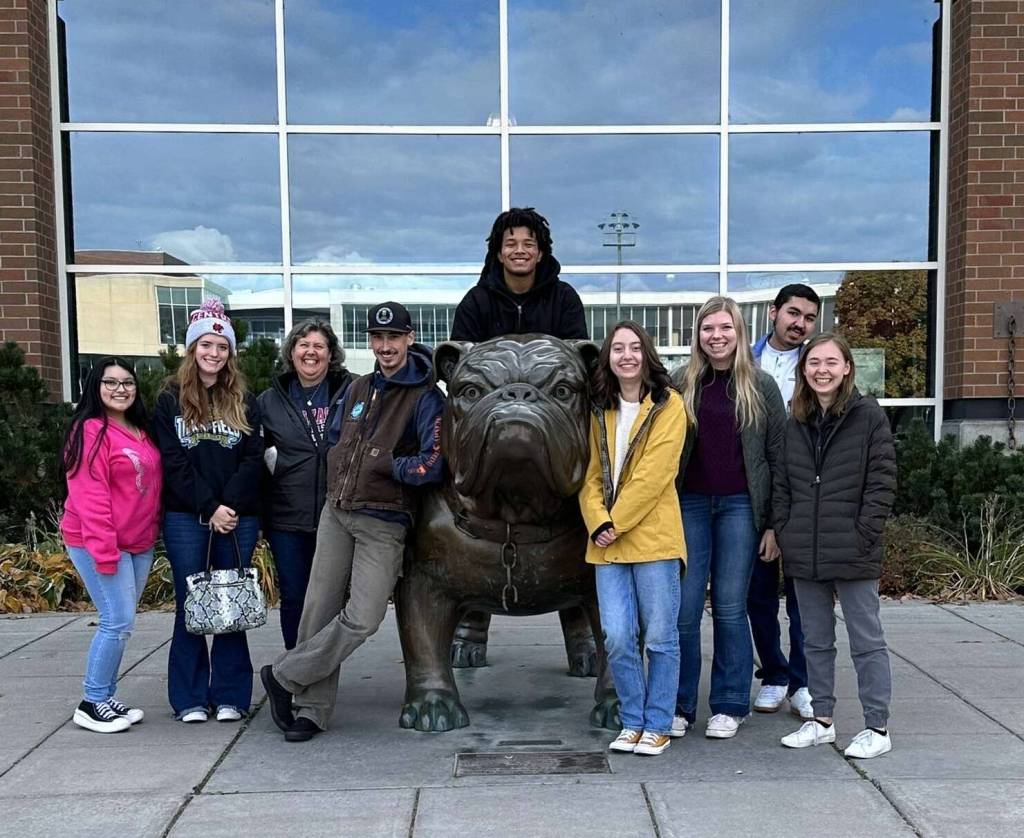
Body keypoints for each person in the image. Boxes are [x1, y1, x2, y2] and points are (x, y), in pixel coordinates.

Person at [261, 301, 444, 742]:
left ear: (409, 338)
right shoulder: (359, 387)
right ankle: (311, 709)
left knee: (364, 617)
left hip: (384, 520)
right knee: (317, 612)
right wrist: (343, 466)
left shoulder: (427, 396)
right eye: (378, 338)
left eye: (394, 337)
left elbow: (433, 463)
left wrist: (387, 466)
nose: (385, 346)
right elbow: (335, 439)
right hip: (338, 513)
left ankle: (284, 676)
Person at [775, 333, 897, 759]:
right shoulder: (796, 420)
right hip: (805, 550)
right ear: (804, 369)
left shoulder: (868, 417)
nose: (821, 370)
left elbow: (882, 482)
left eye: (830, 362)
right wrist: (785, 530)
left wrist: (865, 533)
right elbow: (782, 484)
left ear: (846, 368)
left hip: (853, 548)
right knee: (815, 641)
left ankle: (877, 727)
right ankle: (821, 720)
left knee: (867, 641)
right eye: (813, 363)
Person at [673, 296, 786, 740]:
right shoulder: (680, 383)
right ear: (697, 335)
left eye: (725, 328)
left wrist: (773, 524)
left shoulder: (761, 386)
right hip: (690, 505)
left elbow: (777, 458)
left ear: (739, 332)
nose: (716, 336)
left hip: (740, 506)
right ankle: (679, 704)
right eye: (708, 328)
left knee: (729, 607)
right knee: (683, 610)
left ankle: (730, 703)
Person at [152, 299, 264, 724]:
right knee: (191, 602)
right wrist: (209, 506)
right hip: (187, 517)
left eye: (221, 346)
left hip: (237, 517)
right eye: (206, 344)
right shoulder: (169, 398)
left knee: (231, 600)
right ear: (192, 348)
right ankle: (190, 698)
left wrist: (228, 506)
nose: (213, 353)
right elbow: (172, 461)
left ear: (229, 351)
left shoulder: (244, 399)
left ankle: (232, 695)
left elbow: (254, 458)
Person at [579, 322, 686, 757]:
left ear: (647, 355)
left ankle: (658, 723)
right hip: (606, 542)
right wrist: (596, 521)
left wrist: (614, 521)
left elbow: (654, 475)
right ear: (608, 358)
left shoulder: (669, 405)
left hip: (654, 538)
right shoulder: (598, 409)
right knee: (618, 637)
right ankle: (632, 721)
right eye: (618, 348)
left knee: (660, 637)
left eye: (635, 347)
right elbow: (589, 475)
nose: (627, 356)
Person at [61, 357, 162, 733]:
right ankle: (91, 702)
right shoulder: (89, 430)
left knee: (122, 621)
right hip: (98, 541)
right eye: (111, 382)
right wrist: (104, 553)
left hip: (137, 542)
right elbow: (91, 498)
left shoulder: (139, 428)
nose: (121, 389)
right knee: (116, 620)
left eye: (128, 383)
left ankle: (105, 695)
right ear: (96, 386)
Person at [748, 284, 821, 720]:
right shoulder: (745, 361)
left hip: (801, 495)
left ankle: (802, 681)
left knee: (801, 598)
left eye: (809, 318)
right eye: (794, 313)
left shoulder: (817, 366)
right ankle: (773, 674)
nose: (800, 324)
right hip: (755, 493)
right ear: (773, 312)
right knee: (757, 595)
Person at [259, 318, 352, 649]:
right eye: (304, 345)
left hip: (338, 514)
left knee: (331, 599)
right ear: (292, 352)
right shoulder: (269, 400)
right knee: (295, 596)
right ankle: (295, 665)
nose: (311, 352)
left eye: (319, 346)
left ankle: (323, 667)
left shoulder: (352, 391)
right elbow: (257, 460)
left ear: (331, 354)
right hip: (287, 518)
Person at [450, 207, 587, 342]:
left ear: (540, 254)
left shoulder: (564, 298)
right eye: (511, 245)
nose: (520, 251)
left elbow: (577, 351)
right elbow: (460, 352)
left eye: (528, 244)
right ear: (499, 254)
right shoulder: (476, 301)